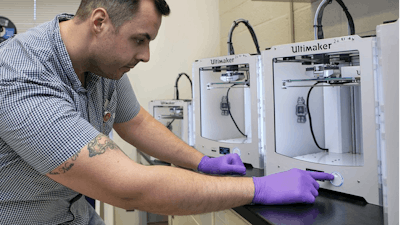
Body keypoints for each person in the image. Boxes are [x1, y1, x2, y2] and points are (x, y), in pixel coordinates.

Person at [0, 0, 334, 224]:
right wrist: (258, 189)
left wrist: (201, 162)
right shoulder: (18, 76)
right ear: (100, 21)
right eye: (139, 40)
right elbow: (128, 187)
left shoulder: (101, 66)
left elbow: (136, 121)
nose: (145, 55)